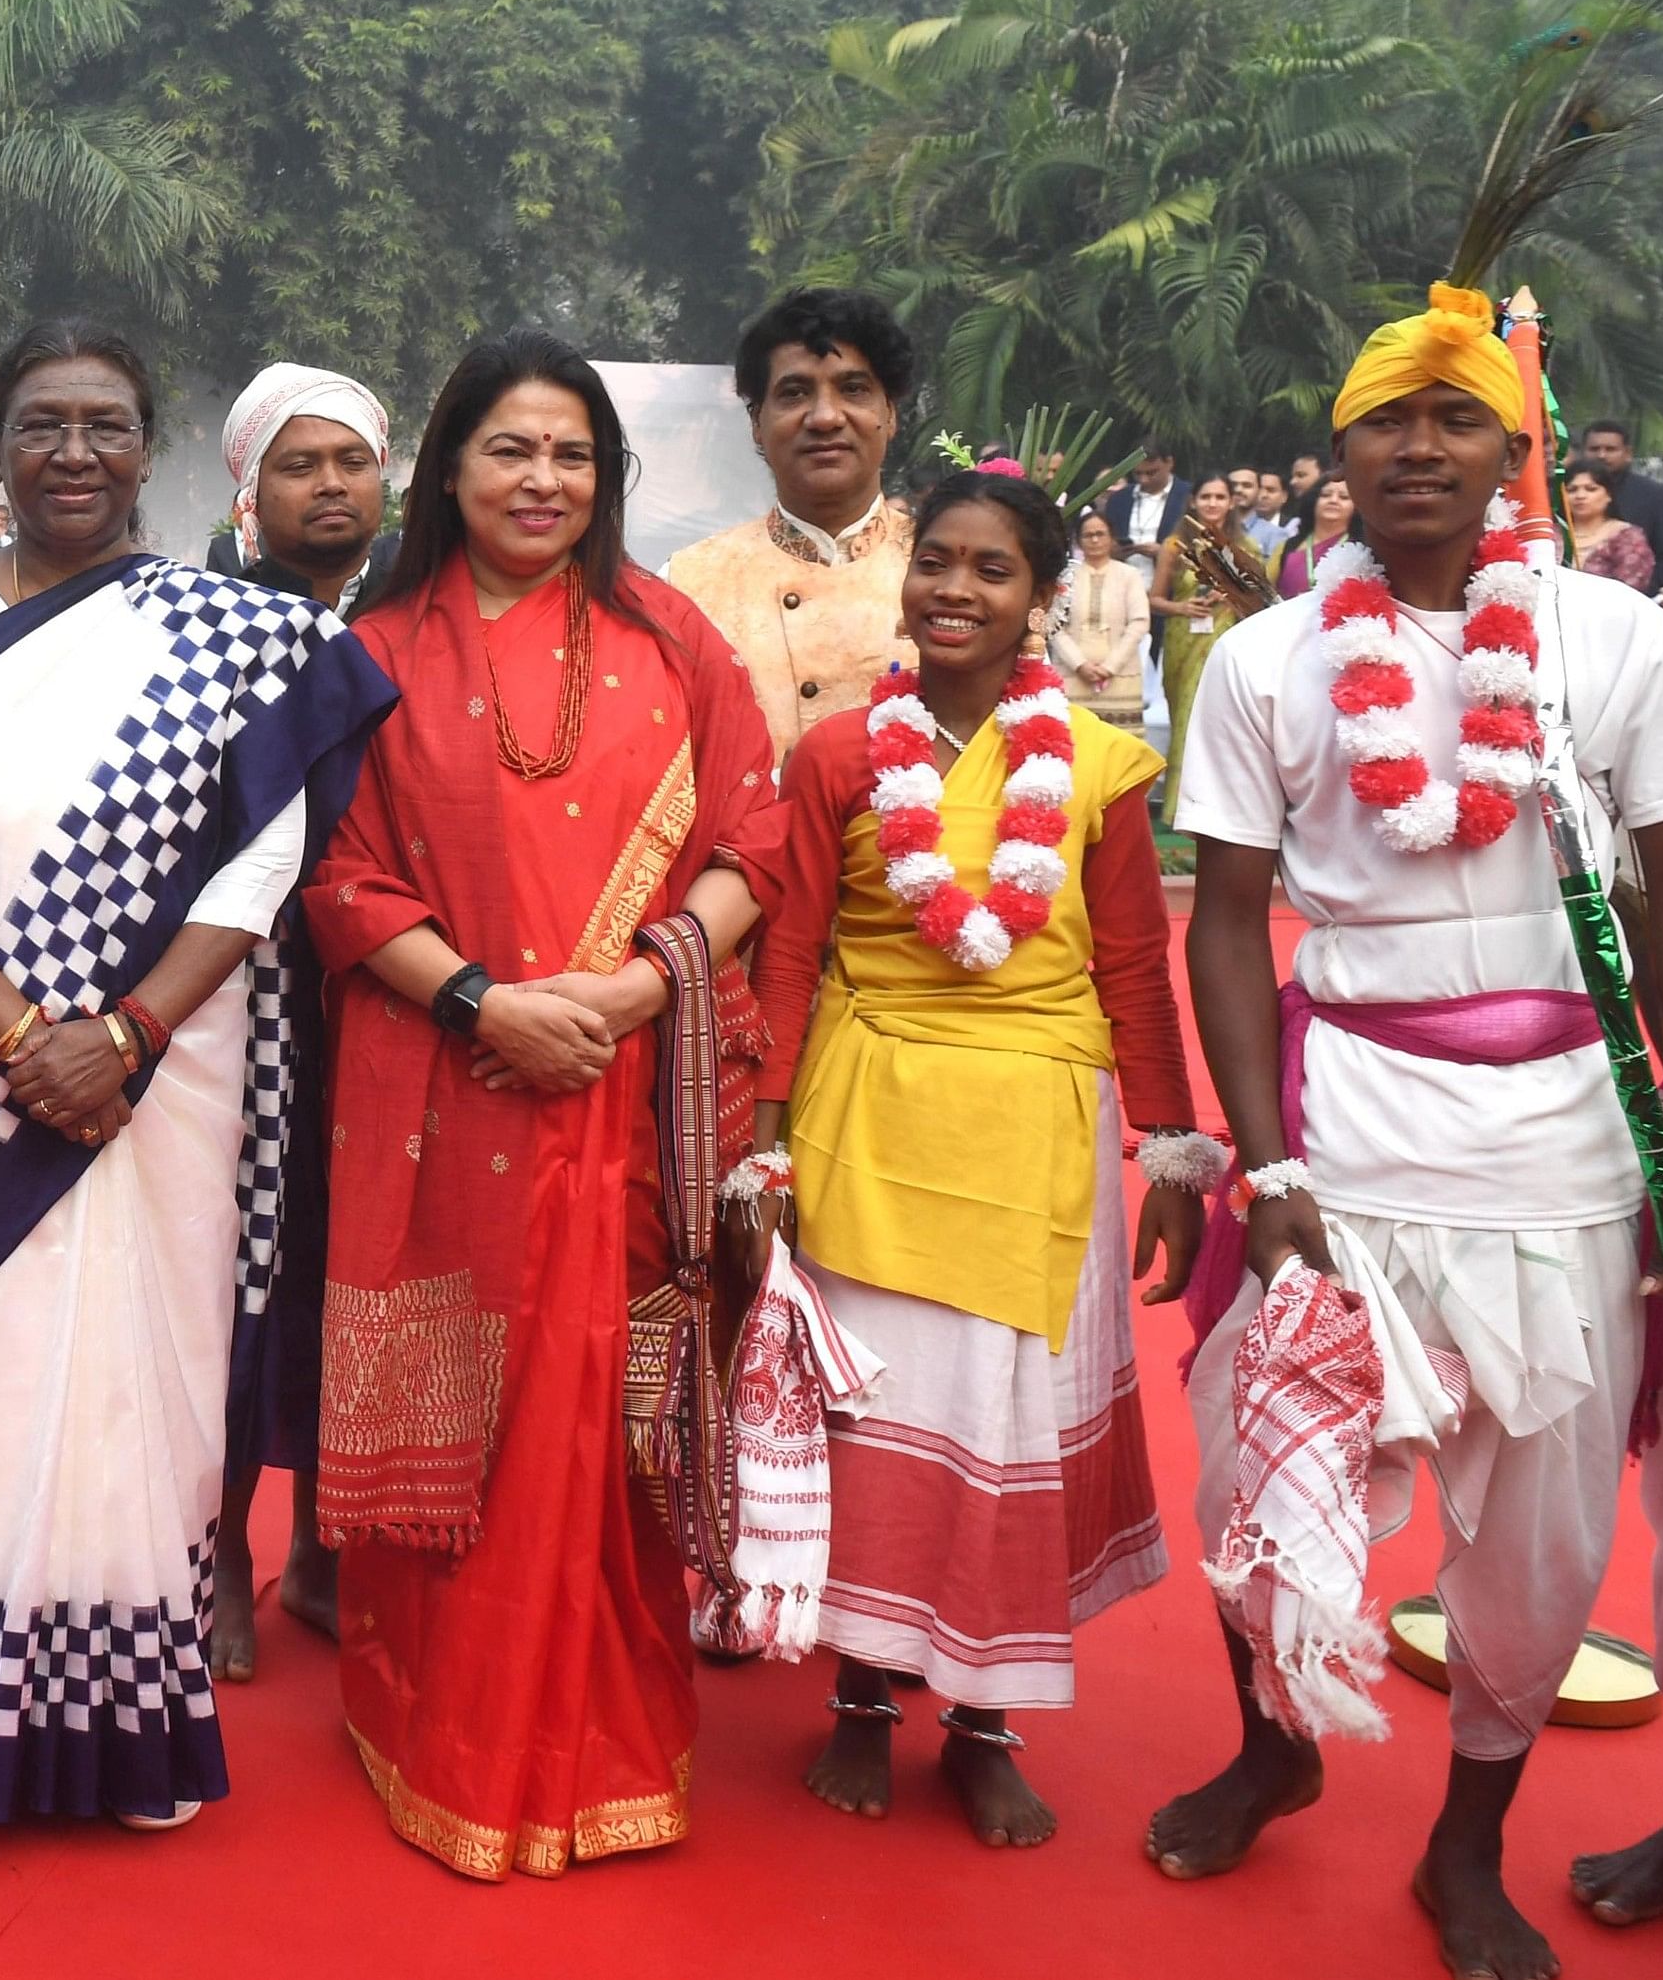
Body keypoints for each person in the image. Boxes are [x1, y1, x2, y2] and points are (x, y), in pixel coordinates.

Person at [1150, 284, 1663, 1980]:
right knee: (1259, 1474)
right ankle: (1273, 1738)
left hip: (1566, 1136)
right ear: (1336, 447)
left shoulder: (1615, 640)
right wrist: (1261, 1167)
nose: (1417, 447)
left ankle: (1463, 1842)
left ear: (1510, 444)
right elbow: (1225, 919)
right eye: (1384, 419)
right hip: (1346, 1130)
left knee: (1545, 1543)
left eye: (1455, 417)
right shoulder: (1267, 655)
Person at [0, 320, 390, 1829]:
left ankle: (136, 1724)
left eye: (102, 422)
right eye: (40, 423)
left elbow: (266, 855)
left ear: (150, 446)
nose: (71, 451)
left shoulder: (235, 637)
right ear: (2, 443)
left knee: (156, 1367)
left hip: (171, 1065)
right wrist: (29, 1039)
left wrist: (130, 1033)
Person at [305, 329, 782, 1881]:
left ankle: (606, 1745)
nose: (542, 479)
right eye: (511, 448)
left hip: (626, 1098)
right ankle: (432, 1724)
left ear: (607, 476)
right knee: (458, 1397)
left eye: (572, 453)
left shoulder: (672, 641)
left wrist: (642, 988)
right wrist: (483, 1001)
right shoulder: (372, 652)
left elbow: (754, 840)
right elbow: (340, 876)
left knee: (605, 1403)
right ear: (447, 467)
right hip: (444, 1090)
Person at [744, 465, 1203, 1848]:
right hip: (867, 1109)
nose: (953, 587)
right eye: (934, 559)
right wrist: (756, 1148)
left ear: (1042, 598)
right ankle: (867, 1699)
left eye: (990, 569)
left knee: (1002, 1427)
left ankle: (989, 1719)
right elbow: (786, 946)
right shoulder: (837, 755)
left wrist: (1172, 1147)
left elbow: (1131, 955)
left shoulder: (1101, 766)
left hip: (1037, 1129)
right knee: (880, 1424)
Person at [204, 362, 400, 1679]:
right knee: (236, 1277)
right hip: (239, 997)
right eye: (298, 464)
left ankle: (329, 1548)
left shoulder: (420, 621)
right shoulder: (202, 625)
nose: (328, 484)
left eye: (350, 461)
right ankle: (216, 1553)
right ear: (250, 488)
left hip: (387, 994)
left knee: (359, 1260)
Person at [664, 286, 919, 755]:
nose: (824, 417)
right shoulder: (684, 586)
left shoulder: (949, 570)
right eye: (795, 392)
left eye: (853, 389)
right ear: (756, 423)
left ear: (890, 414)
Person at [1148, 474, 1268, 819]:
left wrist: (1230, 595)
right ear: (1193, 502)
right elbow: (1155, 600)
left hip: (1227, 639)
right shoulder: (1176, 545)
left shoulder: (1245, 547)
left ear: (1231, 502)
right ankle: (1177, 808)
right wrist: (1183, 607)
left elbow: (1261, 603)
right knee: (1184, 719)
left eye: (1219, 497)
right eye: (1206, 496)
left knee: (1221, 721)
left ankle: (1216, 808)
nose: (1212, 503)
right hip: (1183, 638)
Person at [1049, 508, 1151, 729]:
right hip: (1072, 675)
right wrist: (1080, 664)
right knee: (1074, 743)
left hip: (1120, 676)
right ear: (1077, 540)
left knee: (1120, 749)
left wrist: (1110, 666)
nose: (1095, 540)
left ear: (1112, 538)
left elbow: (1139, 622)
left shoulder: (1129, 575)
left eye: (1100, 534)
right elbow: (1054, 625)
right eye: (1088, 535)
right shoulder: (1066, 577)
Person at [1576, 419, 1663, 587]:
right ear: (1583, 452)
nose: (1601, 455)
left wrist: (1633, 597)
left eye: (1610, 449)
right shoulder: (1566, 492)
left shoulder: (1655, 495)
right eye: (1594, 449)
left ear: (1627, 453)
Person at [1563, 463, 1656, 592]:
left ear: (1609, 495)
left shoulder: (1627, 537)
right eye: (1571, 490)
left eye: (1591, 489)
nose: (1580, 496)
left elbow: (1630, 590)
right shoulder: (1549, 534)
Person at [1272, 472, 1357, 598]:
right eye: (1325, 495)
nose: (1333, 500)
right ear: (1313, 501)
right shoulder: (1287, 547)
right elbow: (1266, 589)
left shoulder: (1360, 550)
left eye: (1344, 497)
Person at [1099, 445, 1184, 551]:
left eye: (1151, 473)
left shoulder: (1188, 497)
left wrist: (1165, 553)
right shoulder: (1118, 499)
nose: (1144, 480)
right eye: (1137, 473)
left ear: (1169, 463)